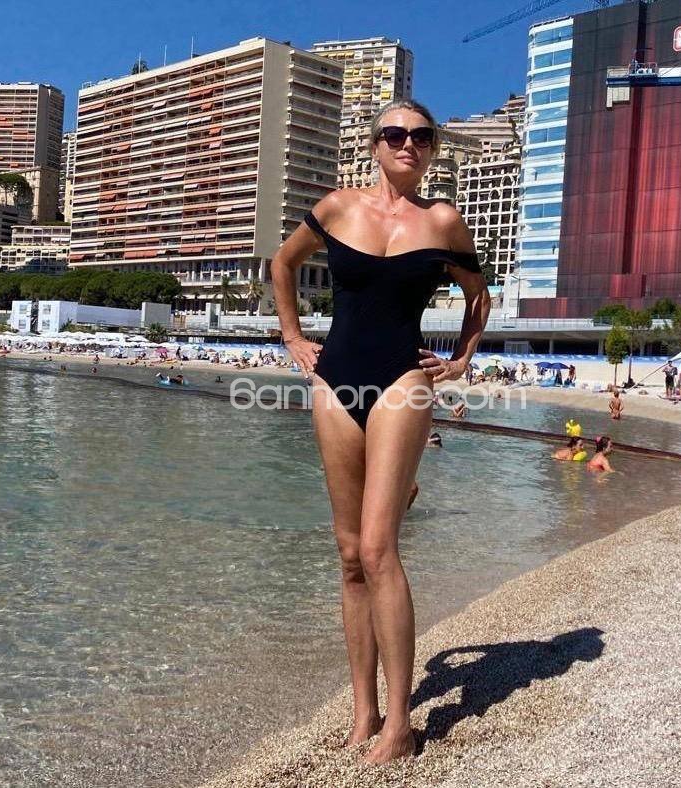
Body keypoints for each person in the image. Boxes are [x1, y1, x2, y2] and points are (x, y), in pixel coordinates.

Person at [270, 98, 490, 764]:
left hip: (402, 380)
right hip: (334, 380)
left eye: (421, 136)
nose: (407, 144)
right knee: (347, 554)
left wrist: (460, 359)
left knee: (377, 549)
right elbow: (282, 264)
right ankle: (363, 712)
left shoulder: (442, 221)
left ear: (432, 150)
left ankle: (400, 726)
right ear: (374, 144)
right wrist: (292, 337)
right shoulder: (338, 207)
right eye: (395, 134)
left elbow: (478, 295)